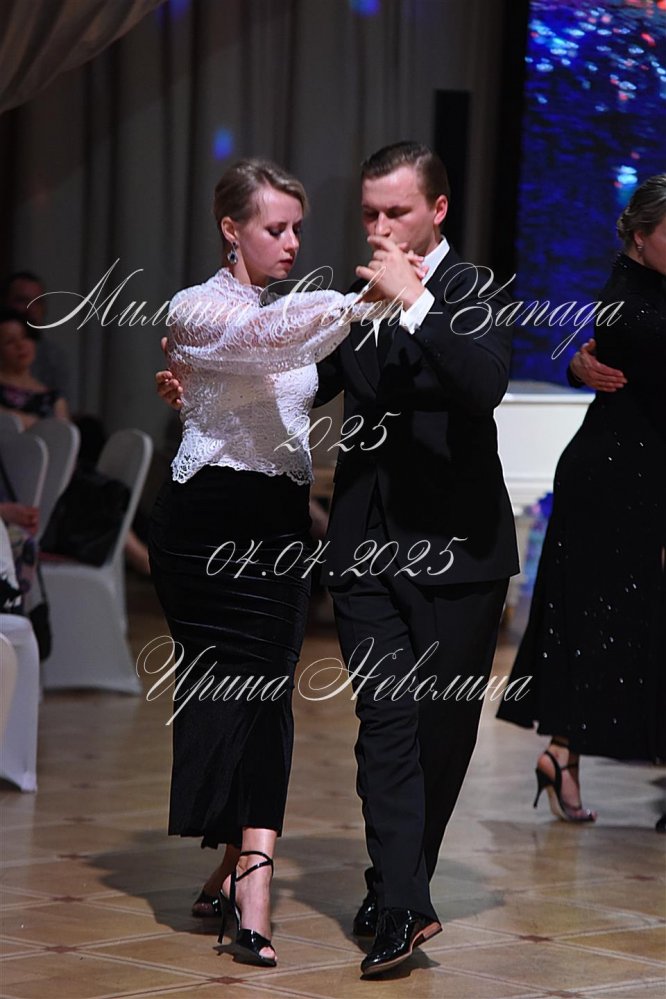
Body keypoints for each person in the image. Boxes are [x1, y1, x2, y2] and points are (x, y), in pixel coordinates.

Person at [158, 141, 518, 976]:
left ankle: (394, 882)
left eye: (397, 211)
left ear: (437, 210)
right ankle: (402, 907)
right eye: (369, 213)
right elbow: (292, 382)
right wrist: (201, 390)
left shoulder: (475, 288)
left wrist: (415, 303)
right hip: (362, 549)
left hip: (459, 554)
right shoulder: (354, 300)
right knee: (385, 723)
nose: (380, 227)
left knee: (440, 734)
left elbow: (484, 385)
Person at [148, 158, 390, 968]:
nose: (291, 242)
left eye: (297, 229)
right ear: (231, 228)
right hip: (205, 526)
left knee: (267, 694)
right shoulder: (194, 308)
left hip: (280, 526)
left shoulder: (295, 313)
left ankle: (247, 874)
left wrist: (366, 307)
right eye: (274, 228)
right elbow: (260, 343)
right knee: (228, 696)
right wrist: (360, 299)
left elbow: (290, 357)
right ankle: (242, 870)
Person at [497, 174, 666, 829]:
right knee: (604, 621)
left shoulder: (638, 291)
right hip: (618, 482)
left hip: (623, 473)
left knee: (605, 621)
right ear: (640, 235)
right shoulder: (637, 304)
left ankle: (563, 752)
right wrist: (574, 363)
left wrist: (575, 362)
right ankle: (564, 752)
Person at [1, 272, 72, 402]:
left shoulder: (54, 357)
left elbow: (62, 405)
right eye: (22, 300)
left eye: (37, 302)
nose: (31, 309)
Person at [0, 307, 70, 426]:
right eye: (10, 341)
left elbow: (63, 434)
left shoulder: (54, 400)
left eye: (25, 337)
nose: (21, 345)